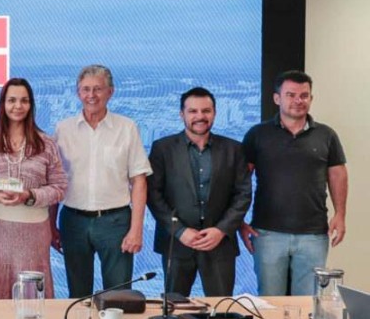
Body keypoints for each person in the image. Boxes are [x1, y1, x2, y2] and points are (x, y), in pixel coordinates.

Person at [240, 71, 347, 296]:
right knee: (270, 302)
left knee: (308, 304)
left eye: (304, 95)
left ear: (311, 98)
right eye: (291, 95)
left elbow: (337, 174)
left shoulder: (326, 135)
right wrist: (239, 220)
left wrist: (340, 214)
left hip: (314, 235)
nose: (298, 101)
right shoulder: (257, 134)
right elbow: (241, 180)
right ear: (277, 98)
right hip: (267, 234)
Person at [53, 64, 152, 297]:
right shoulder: (63, 129)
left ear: (111, 92)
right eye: (85, 89)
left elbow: (139, 180)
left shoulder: (127, 128)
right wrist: (50, 226)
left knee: (118, 295)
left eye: (98, 89)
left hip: (115, 222)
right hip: (73, 221)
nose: (91, 95)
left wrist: (136, 229)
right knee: (77, 296)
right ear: (78, 93)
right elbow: (55, 181)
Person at [0, 78, 68, 299]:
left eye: (24, 100)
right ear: (2, 104)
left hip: (34, 232)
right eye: (12, 100)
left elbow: (60, 187)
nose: (18, 106)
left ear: (31, 105)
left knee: (30, 297)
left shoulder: (46, 143)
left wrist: (30, 195)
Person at [147, 87, 251, 297]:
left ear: (214, 113)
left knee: (222, 313)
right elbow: (153, 195)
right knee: (174, 311)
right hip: (176, 244)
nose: (200, 117)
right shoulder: (162, 148)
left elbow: (243, 195)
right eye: (193, 111)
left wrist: (221, 230)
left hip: (219, 244)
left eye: (206, 111)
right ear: (182, 114)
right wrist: (180, 231)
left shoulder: (234, 149)